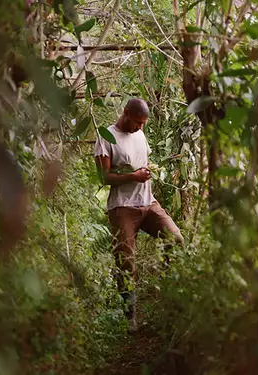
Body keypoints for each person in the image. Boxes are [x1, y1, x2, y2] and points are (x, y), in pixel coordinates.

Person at [94, 98, 184, 332]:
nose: (140, 128)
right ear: (125, 114)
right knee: (126, 262)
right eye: (137, 122)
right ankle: (129, 317)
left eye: (143, 123)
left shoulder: (140, 134)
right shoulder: (106, 137)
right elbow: (103, 177)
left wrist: (148, 170)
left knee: (175, 239)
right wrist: (132, 177)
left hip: (148, 202)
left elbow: (140, 161)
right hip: (122, 207)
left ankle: (168, 294)